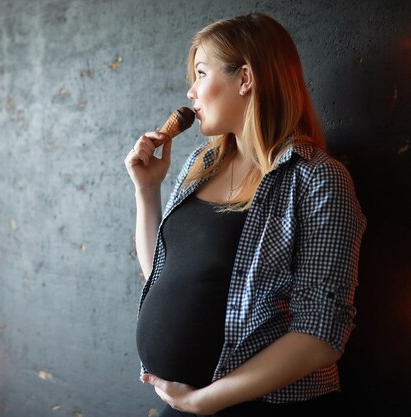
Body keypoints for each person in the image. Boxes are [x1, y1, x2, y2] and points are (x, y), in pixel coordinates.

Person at [124, 13, 366, 417]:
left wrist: (206, 400)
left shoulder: (318, 180)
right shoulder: (202, 164)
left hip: (265, 406)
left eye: (201, 73)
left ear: (246, 78)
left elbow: (321, 334)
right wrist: (147, 191)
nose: (191, 91)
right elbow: (160, 275)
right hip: (187, 405)